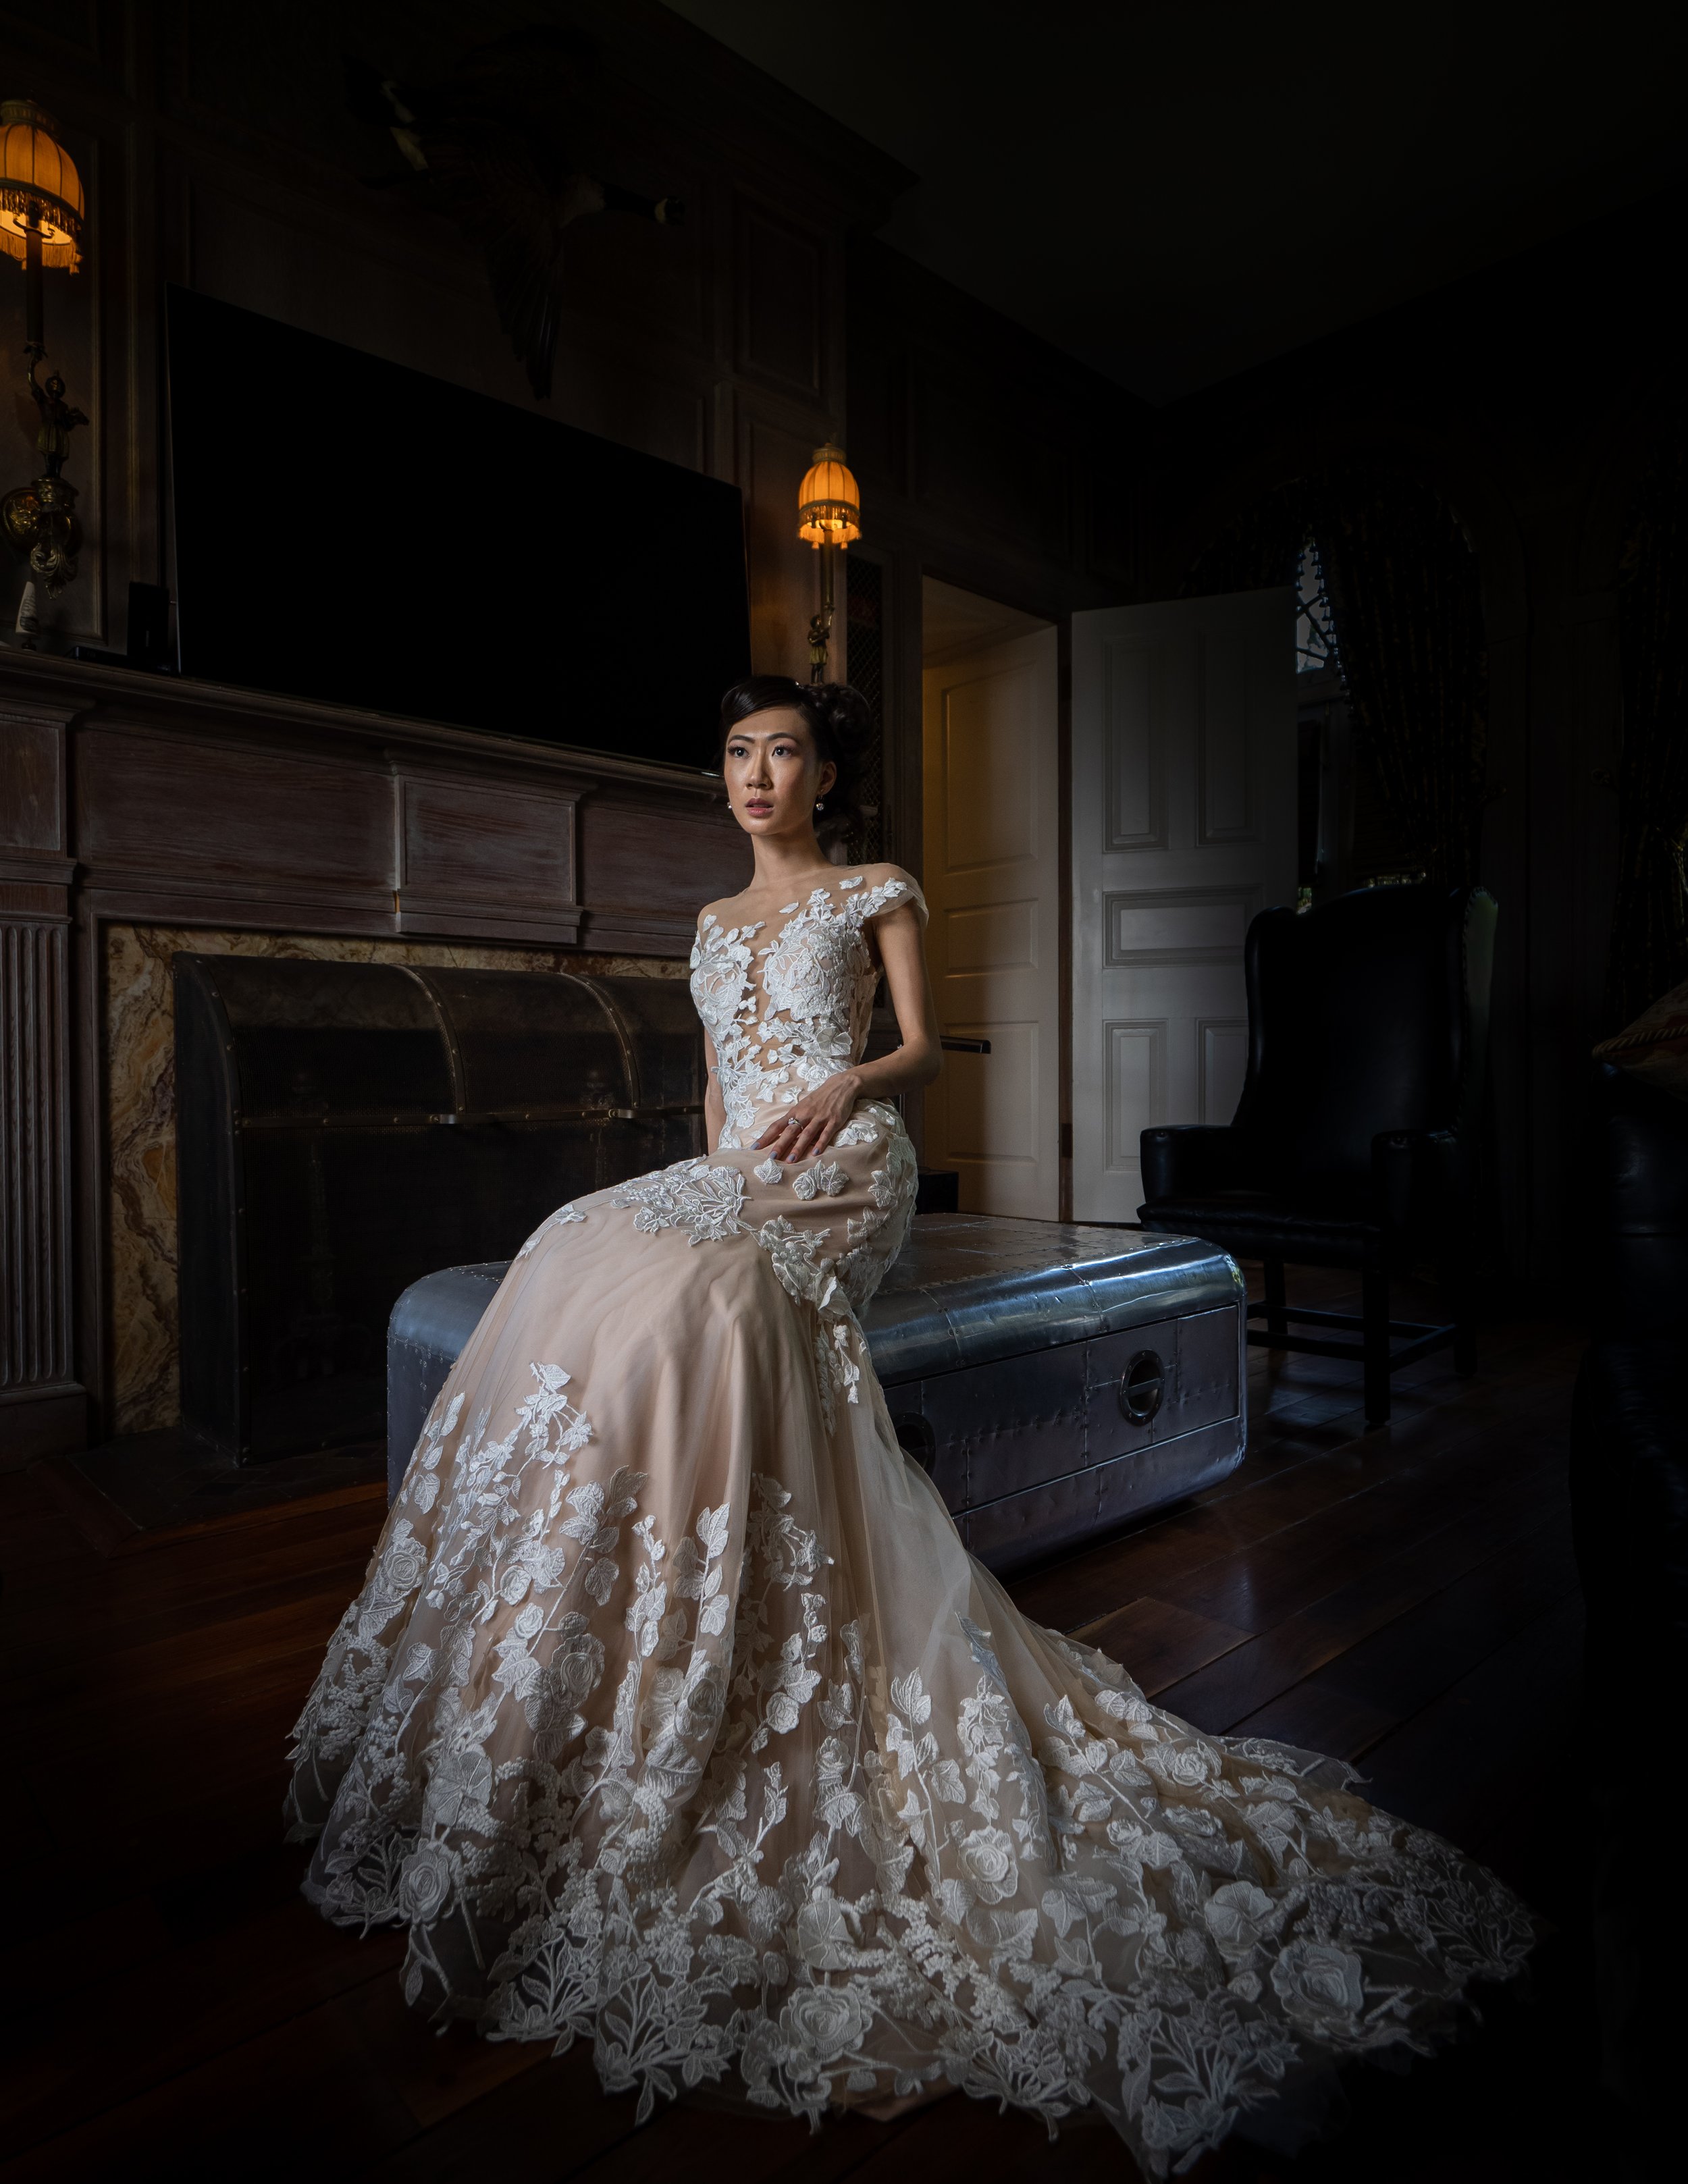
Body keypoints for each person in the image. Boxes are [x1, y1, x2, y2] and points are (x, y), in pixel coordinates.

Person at [286, 675, 1533, 2173]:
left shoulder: (873, 886)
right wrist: (711, 1185)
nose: (759, 774)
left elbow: (927, 1053)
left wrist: (841, 1092)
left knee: (706, 1302)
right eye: (738, 754)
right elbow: (704, 1094)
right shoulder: (701, 927)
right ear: (720, 779)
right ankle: (570, 1646)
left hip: (847, 1162)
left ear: (823, 775)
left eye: (784, 752)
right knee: (575, 1243)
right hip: (741, 1164)